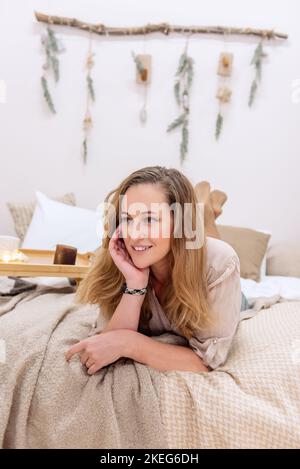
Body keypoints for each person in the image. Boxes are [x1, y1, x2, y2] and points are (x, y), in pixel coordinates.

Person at [65, 166, 248, 374]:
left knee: (207, 250)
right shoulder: (119, 255)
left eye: (150, 219)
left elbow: (206, 361)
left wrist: (129, 343)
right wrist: (135, 284)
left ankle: (206, 212)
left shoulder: (221, 263)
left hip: (229, 294)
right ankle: (204, 209)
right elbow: (105, 343)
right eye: (127, 219)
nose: (134, 234)